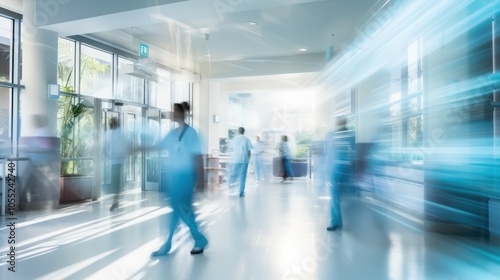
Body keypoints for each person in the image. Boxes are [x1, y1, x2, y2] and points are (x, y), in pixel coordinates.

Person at [151, 102, 208, 256]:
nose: (172, 113)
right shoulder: (172, 133)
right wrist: (137, 148)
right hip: (174, 178)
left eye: (175, 111)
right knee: (179, 210)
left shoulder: (191, 133)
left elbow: (198, 157)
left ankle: (192, 240)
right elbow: (158, 146)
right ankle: (171, 243)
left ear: (182, 114)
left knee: (179, 209)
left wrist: (202, 180)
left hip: (187, 177)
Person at [325, 117, 354, 231]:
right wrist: (326, 170)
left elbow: (353, 152)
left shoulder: (351, 135)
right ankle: (335, 222)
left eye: (342, 122)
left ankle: (338, 221)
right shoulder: (331, 135)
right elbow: (328, 153)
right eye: (339, 122)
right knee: (335, 197)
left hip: (345, 171)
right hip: (334, 170)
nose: (340, 124)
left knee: (343, 199)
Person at [104, 117, 128, 211]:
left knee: (116, 181)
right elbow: (105, 145)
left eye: (112, 122)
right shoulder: (110, 133)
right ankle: (116, 200)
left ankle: (115, 201)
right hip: (113, 161)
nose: (111, 124)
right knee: (115, 181)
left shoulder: (119, 133)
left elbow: (125, 145)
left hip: (118, 160)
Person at [229, 127, 252, 197]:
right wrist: (248, 159)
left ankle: (231, 191)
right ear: (244, 132)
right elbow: (249, 151)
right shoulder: (247, 139)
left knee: (234, 175)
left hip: (236, 159)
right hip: (244, 160)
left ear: (238, 131)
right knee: (242, 176)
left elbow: (231, 149)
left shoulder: (234, 139)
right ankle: (241, 192)